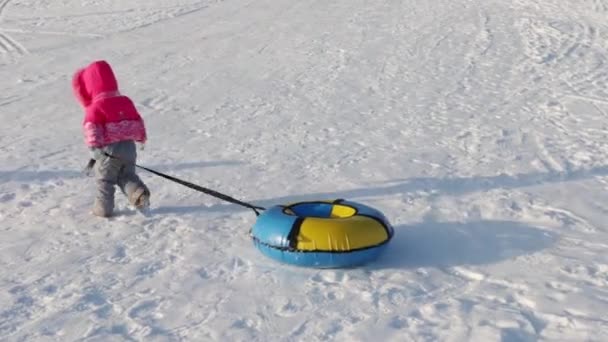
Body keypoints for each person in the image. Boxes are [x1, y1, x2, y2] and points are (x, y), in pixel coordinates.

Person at [72, 60, 150, 217]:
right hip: (129, 147)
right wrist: (140, 138)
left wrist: (95, 149)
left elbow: (92, 129)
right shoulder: (125, 101)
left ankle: (103, 209)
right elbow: (137, 121)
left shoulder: (95, 107)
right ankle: (138, 193)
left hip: (108, 151)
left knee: (105, 180)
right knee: (127, 175)